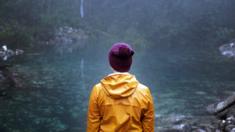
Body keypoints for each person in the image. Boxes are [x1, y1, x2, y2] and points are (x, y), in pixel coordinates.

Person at [87, 42, 155, 132]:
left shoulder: (98, 90)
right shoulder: (144, 91)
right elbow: (148, 128)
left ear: (111, 63)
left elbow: (93, 125)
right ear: (130, 63)